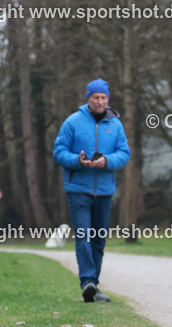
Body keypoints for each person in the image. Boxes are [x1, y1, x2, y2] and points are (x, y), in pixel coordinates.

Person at [52, 78, 131, 303]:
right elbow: (59, 152)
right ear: (88, 98)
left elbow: (124, 154)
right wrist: (78, 160)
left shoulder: (115, 124)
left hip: (105, 191)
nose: (100, 101)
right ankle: (87, 280)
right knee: (84, 236)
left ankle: (93, 287)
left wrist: (106, 160)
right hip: (78, 189)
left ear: (108, 99)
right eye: (96, 97)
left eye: (103, 97)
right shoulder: (73, 122)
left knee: (98, 240)